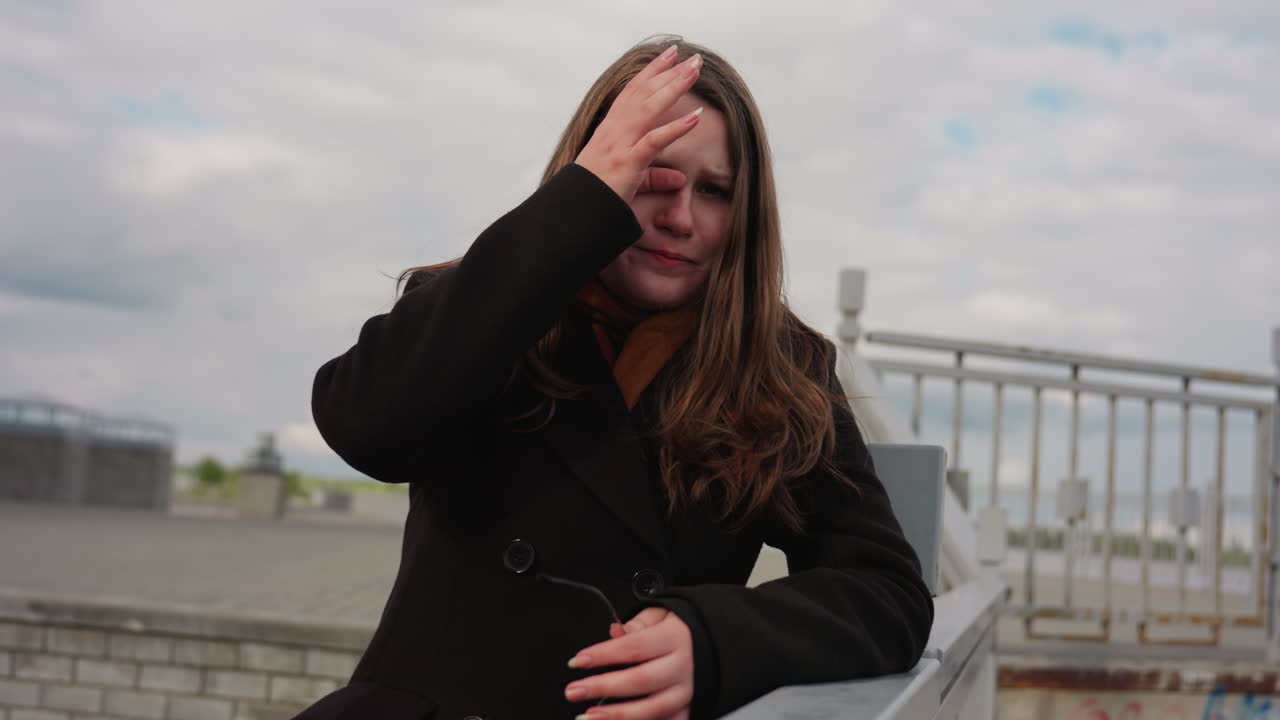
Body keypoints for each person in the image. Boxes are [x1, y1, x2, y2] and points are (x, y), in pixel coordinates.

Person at [296, 36, 933, 720]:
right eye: (651, 176)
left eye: (716, 191)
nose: (680, 219)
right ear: (594, 173)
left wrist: (715, 640)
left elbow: (886, 593)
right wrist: (579, 208)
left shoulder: (778, 368)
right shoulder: (477, 306)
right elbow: (369, 428)